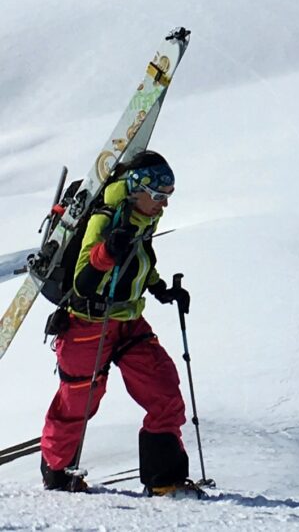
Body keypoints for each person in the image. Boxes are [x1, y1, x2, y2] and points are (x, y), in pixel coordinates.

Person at [40, 150, 193, 496]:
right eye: (159, 195)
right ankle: (57, 474)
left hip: (127, 319)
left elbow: (140, 259)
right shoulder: (105, 218)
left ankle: (165, 482)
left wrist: (160, 289)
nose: (164, 204)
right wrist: (108, 250)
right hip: (86, 323)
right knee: (78, 402)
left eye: (168, 196)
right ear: (137, 188)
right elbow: (83, 282)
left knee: (163, 388)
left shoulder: (143, 217)